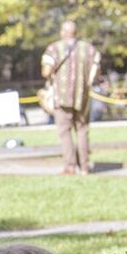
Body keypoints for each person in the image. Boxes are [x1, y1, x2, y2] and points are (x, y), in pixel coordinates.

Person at [41, 21, 100, 175]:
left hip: (61, 97)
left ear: (62, 32)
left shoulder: (54, 48)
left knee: (64, 131)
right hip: (83, 97)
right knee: (82, 130)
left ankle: (70, 166)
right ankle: (85, 167)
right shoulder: (88, 49)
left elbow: (46, 71)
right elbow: (97, 71)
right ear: (76, 32)